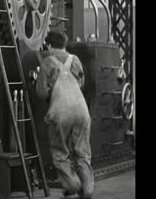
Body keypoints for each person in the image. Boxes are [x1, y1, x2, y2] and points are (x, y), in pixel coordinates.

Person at [35, 30, 94, 199]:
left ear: (49, 45)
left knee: (60, 152)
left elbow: (41, 92)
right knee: (83, 152)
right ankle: (88, 189)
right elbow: (81, 84)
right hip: (82, 111)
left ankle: (73, 185)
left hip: (61, 112)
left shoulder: (47, 62)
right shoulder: (75, 60)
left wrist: (50, 94)